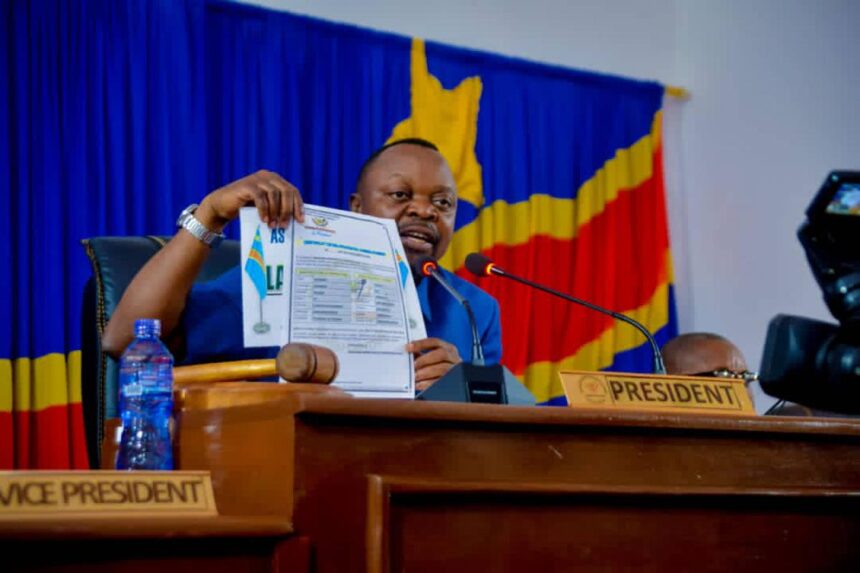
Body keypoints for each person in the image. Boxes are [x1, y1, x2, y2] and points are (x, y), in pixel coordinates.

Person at [102, 138, 501, 391]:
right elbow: (124, 340)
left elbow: (499, 424)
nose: (425, 211)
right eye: (400, 195)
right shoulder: (282, 279)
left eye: (443, 203)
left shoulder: (471, 309)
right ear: (357, 207)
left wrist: (461, 387)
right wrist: (210, 215)